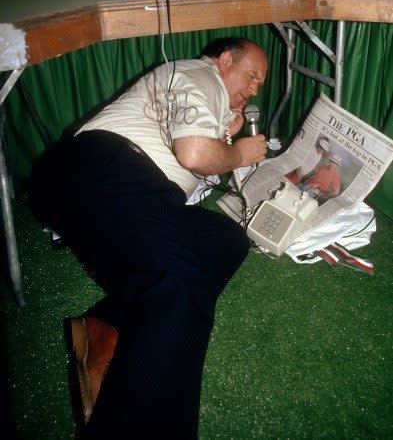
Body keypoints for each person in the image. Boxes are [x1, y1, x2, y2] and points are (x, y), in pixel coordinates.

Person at [28, 37, 268, 439]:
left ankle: (105, 323)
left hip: (129, 191)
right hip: (102, 167)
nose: (255, 88)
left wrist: (226, 135)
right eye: (252, 76)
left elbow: (191, 178)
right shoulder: (200, 72)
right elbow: (191, 154)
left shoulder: (204, 97)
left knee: (226, 238)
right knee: (179, 283)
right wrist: (241, 153)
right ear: (225, 60)